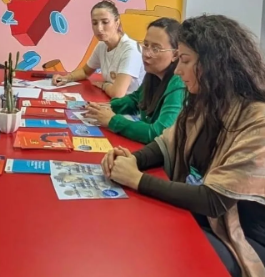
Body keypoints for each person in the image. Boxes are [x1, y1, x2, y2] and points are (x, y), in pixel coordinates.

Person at [101, 15, 265, 277]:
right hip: (210, 217)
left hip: (244, 237)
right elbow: (166, 143)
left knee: (163, 245)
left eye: (185, 61)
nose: (177, 71)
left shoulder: (257, 121)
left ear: (214, 65)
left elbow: (214, 200)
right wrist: (132, 159)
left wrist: (137, 179)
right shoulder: (206, 103)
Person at [85, 17, 185, 144]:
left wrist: (112, 120)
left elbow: (159, 133)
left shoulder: (178, 83)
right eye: (146, 45)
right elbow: (135, 100)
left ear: (175, 55)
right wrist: (107, 107)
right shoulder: (154, 73)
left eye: (155, 49)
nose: (146, 54)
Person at [53, 0, 144, 97]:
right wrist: (66, 78)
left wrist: (104, 85)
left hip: (134, 104)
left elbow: (117, 94)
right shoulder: (102, 45)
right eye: (95, 23)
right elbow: (85, 71)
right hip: (112, 100)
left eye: (105, 22)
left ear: (117, 23)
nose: (99, 28)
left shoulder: (131, 50)